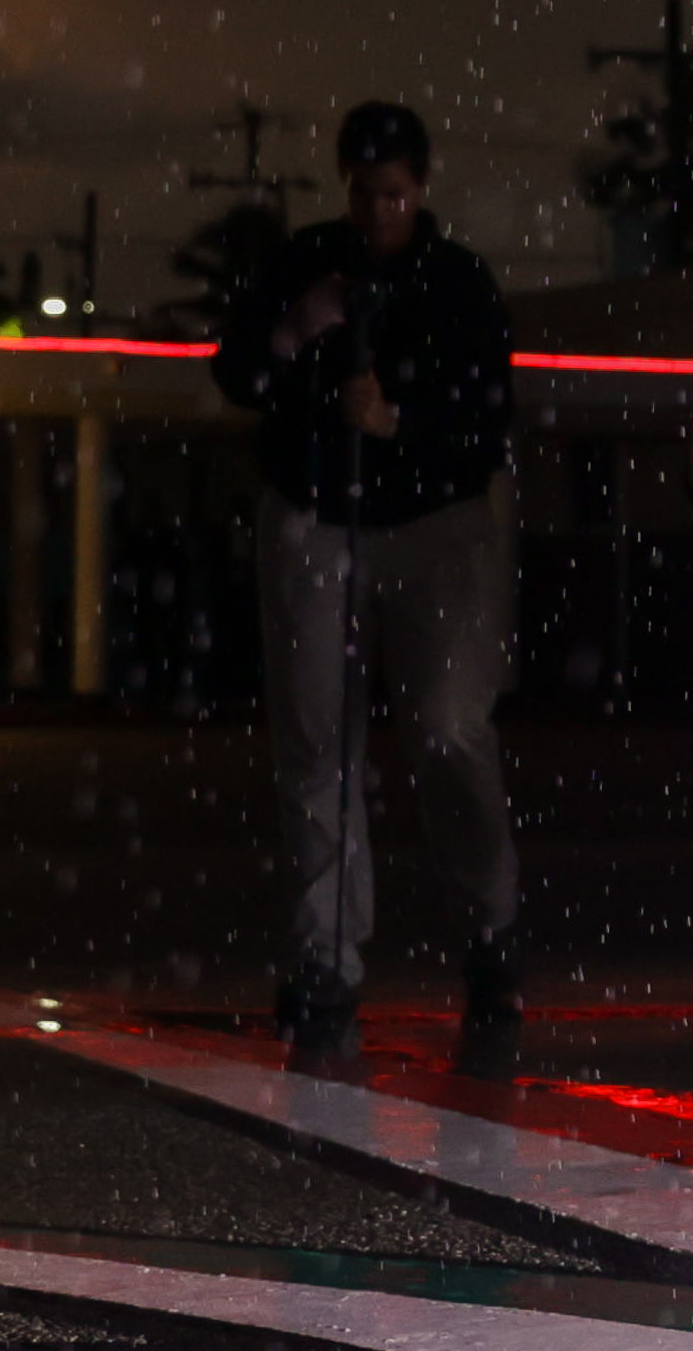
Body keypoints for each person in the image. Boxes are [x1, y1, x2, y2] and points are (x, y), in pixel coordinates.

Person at [210, 102, 521, 1052]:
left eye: (393, 193)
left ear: (420, 186)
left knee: (447, 728)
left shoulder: (459, 281)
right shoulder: (306, 263)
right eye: (362, 192)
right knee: (317, 745)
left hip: (436, 525)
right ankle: (326, 959)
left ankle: (492, 928)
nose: (378, 211)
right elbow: (235, 370)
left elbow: (486, 420)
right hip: (315, 517)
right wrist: (297, 334)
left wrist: (400, 423)